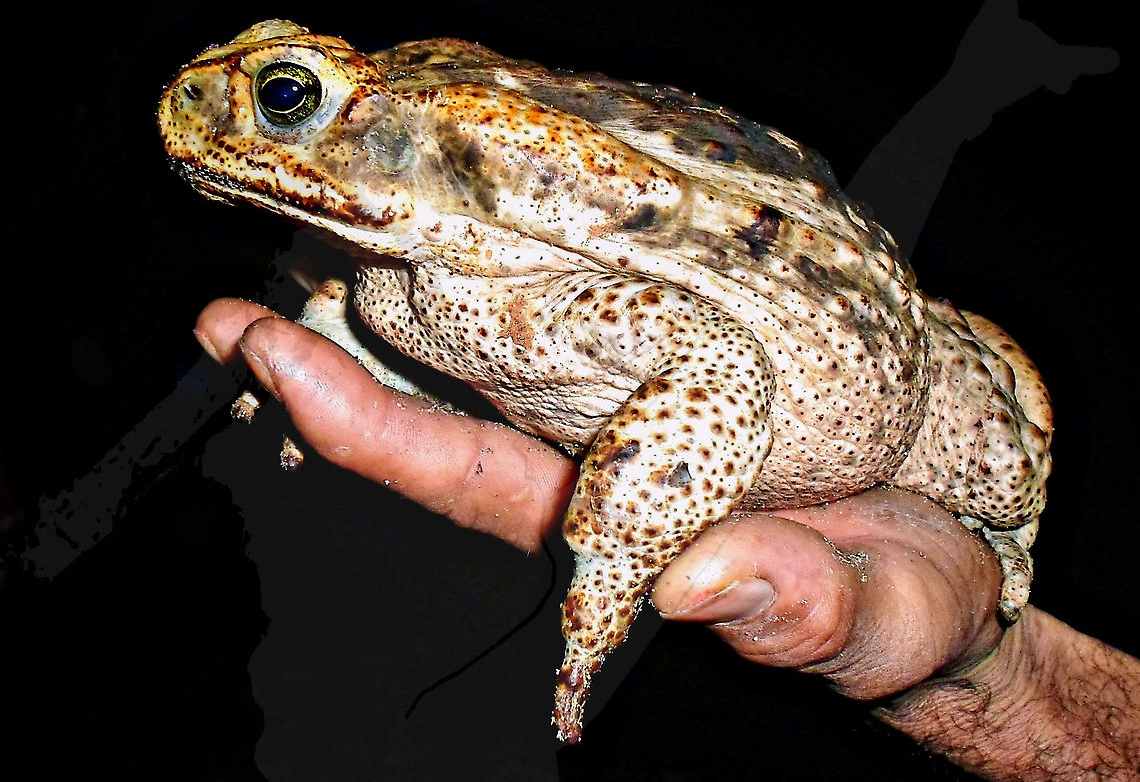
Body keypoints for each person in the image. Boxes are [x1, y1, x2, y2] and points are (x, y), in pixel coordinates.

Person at [195, 298, 1140, 782]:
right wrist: (991, 671)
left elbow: (714, 355)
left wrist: (610, 555)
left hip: (850, 355)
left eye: (289, 97)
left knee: (986, 440)